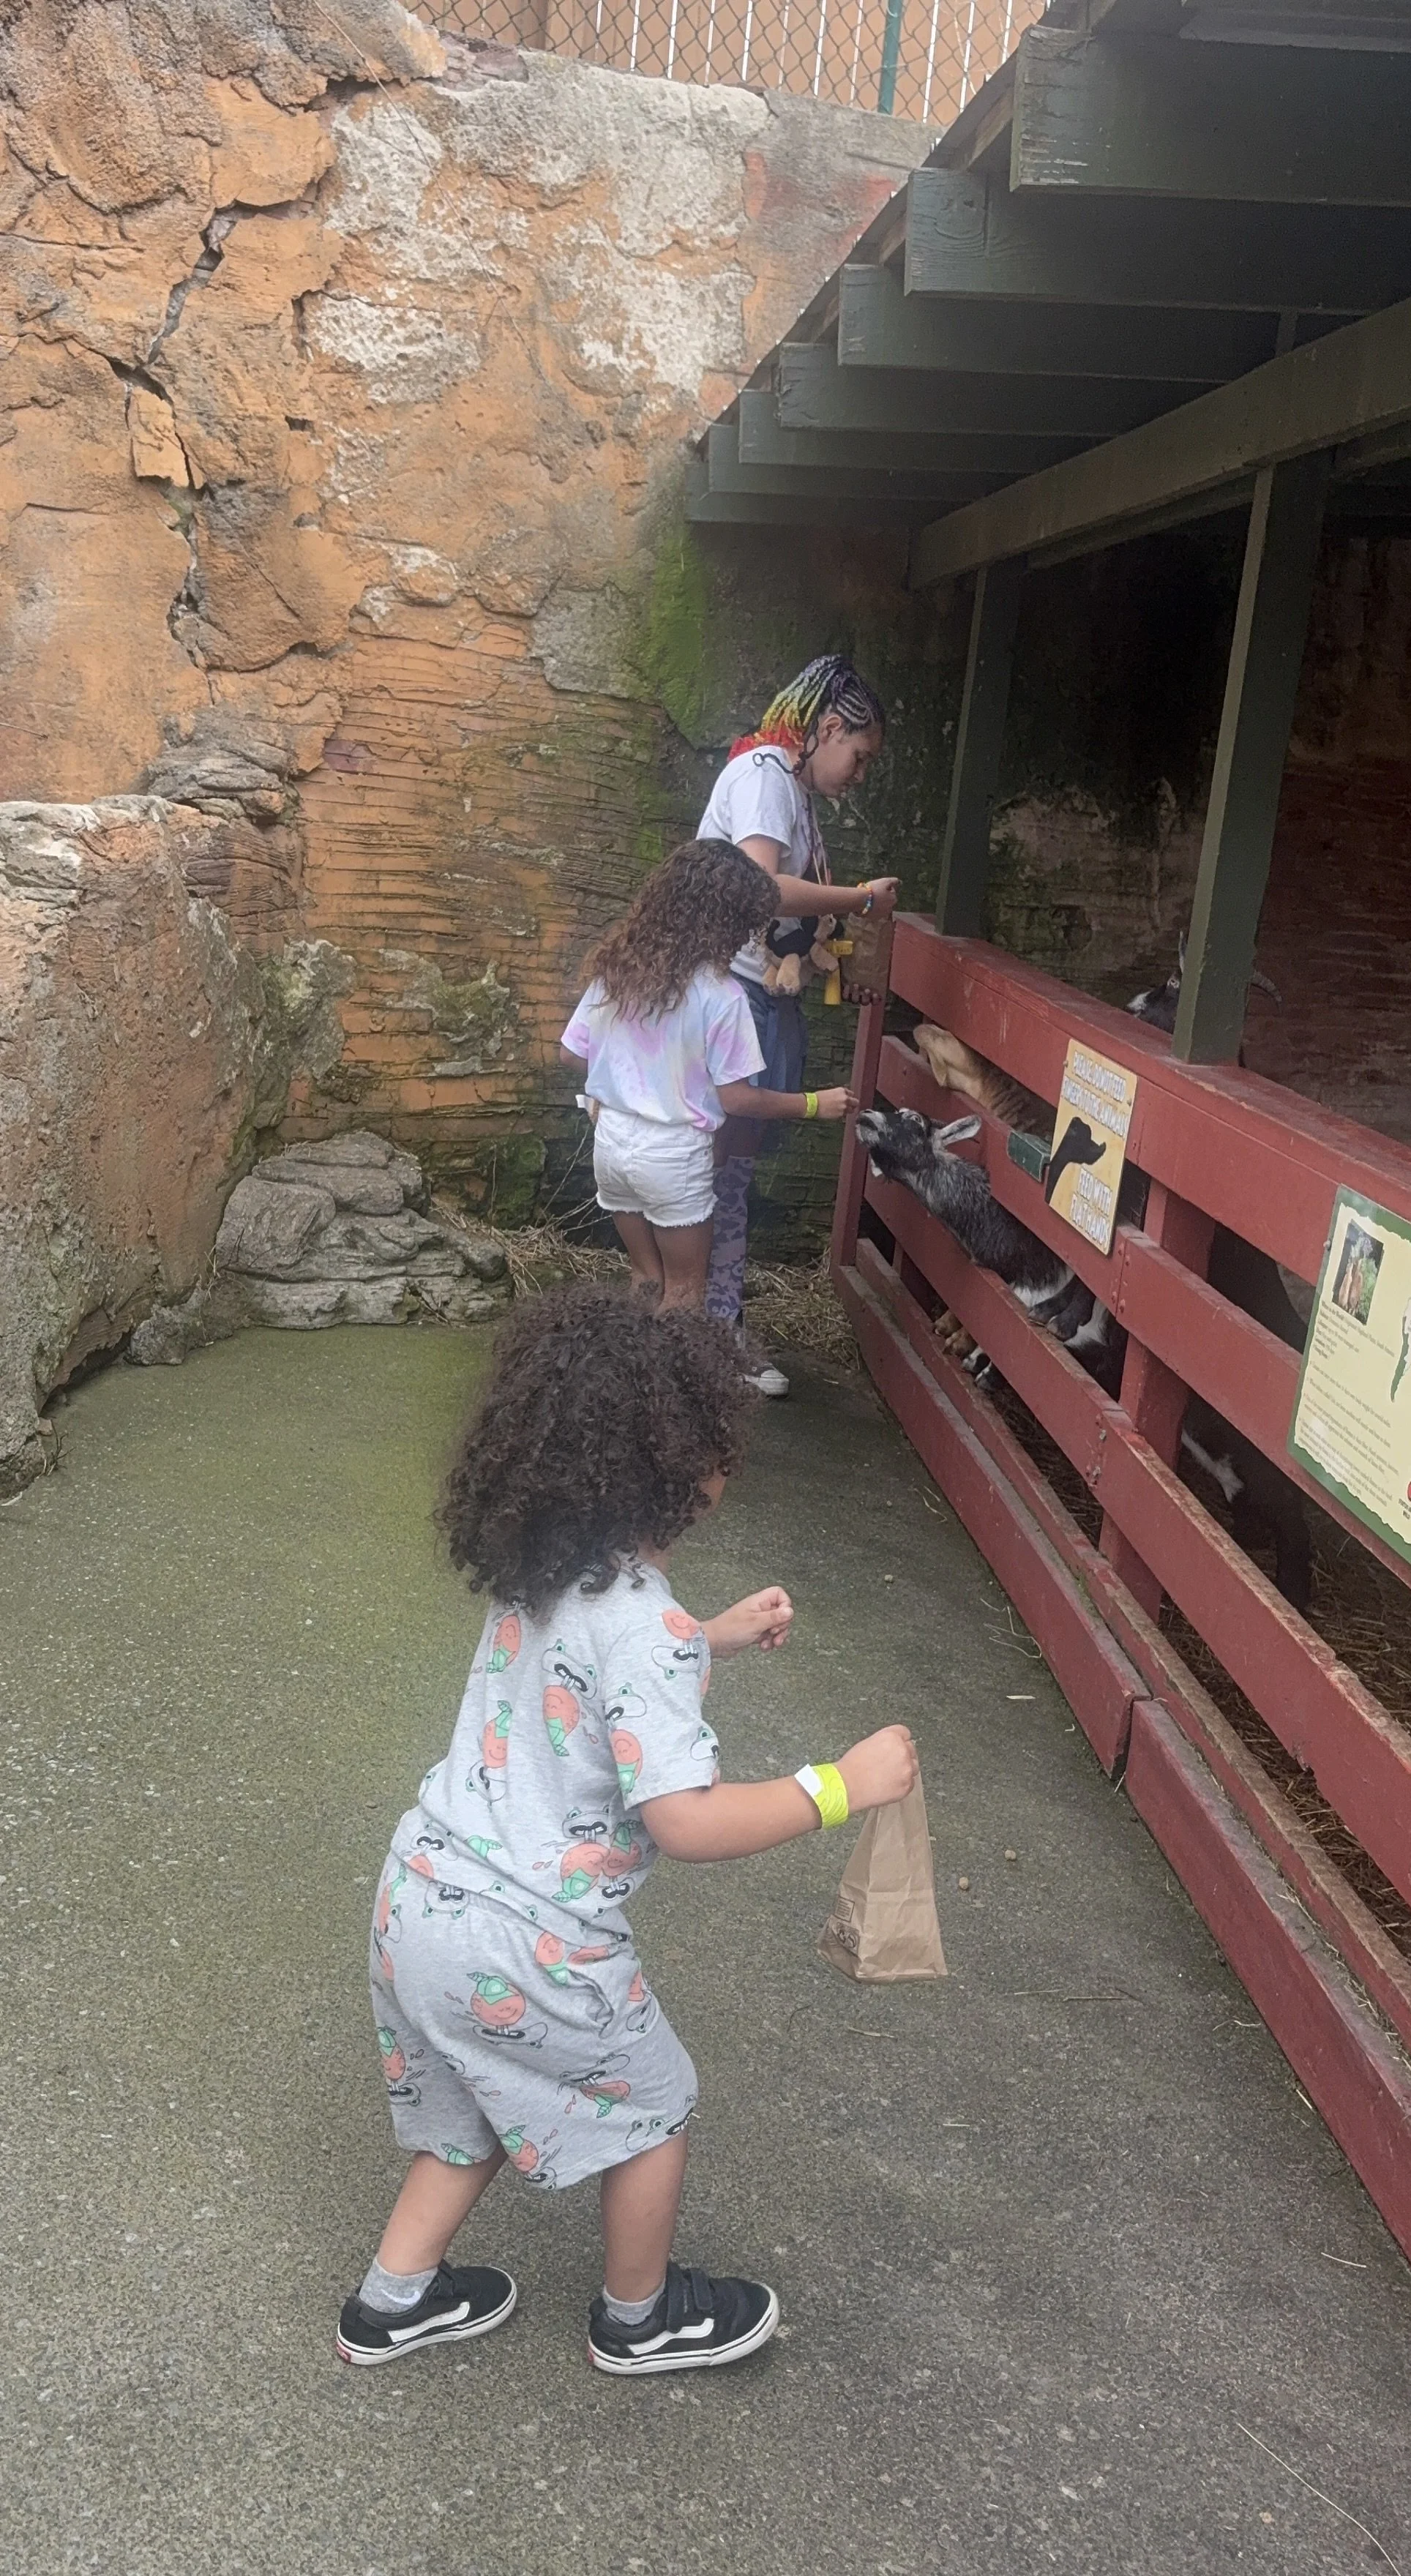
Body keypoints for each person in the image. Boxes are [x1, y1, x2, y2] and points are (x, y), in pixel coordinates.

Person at [337, 1284, 918, 2377]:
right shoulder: (640, 1623)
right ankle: (639, 2318)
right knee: (654, 2107)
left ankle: (390, 2302)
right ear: (679, 1467)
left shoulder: (545, 1569)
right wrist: (838, 1784)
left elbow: (581, 1683)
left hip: (421, 1897)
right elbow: (686, 1820)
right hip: (534, 1940)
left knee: (470, 2110)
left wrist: (712, 1637)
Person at [697, 654, 899, 1395]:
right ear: (829, 727)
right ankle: (705, 1325)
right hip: (731, 995)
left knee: (733, 1167)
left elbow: (784, 914)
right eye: (860, 755)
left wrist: (826, 950)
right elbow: (757, 888)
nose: (860, 773)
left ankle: (708, 1319)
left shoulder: (790, 791)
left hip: (759, 996)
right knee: (718, 1162)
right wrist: (856, 900)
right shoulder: (763, 781)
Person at [561, 839, 856, 1308]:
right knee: (684, 1294)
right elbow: (737, 1099)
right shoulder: (723, 996)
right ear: (728, 922)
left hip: (612, 1145)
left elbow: (571, 1055)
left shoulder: (618, 967)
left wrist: (619, 1087)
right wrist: (814, 1104)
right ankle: (672, 1382)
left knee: (645, 1277)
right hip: (674, 1158)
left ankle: (627, 1376)